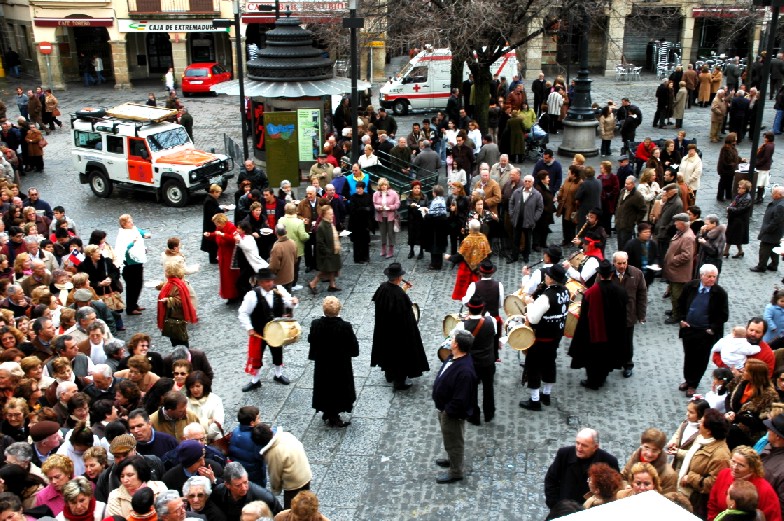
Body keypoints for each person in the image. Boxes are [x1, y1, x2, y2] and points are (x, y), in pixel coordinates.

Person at [568, 260, 629, 390]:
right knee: (608, 356)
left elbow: (584, 314)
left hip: (594, 331)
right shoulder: (620, 291)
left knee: (593, 359)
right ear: (612, 274)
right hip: (613, 331)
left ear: (599, 275)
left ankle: (593, 381)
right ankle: (603, 376)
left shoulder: (591, 293)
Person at [519, 264, 570, 411]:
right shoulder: (565, 291)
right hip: (556, 336)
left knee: (533, 366)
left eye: (547, 275)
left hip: (541, 337)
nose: (545, 276)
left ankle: (534, 401)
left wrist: (529, 304)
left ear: (551, 279)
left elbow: (534, 319)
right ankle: (546, 394)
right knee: (549, 363)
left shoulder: (546, 297)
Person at [371, 262, 429, 391]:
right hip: (398, 333)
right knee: (399, 356)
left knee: (388, 352)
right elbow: (405, 315)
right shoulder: (400, 296)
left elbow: (389, 302)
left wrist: (403, 288)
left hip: (385, 329)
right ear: (398, 277)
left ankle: (389, 374)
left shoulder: (382, 288)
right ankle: (399, 382)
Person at [238, 268, 298, 392]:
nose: (270, 283)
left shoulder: (279, 290)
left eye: (271, 280)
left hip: (276, 329)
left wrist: (293, 302)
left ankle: (278, 374)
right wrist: (249, 328)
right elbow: (243, 313)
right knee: (257, 355)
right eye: (267, 281)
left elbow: (289, 303)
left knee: (277, 352)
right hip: (259, 331)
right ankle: (255, 380)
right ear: (260, 282)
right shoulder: (252, 296)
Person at [431, 330, 477, 484]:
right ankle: (452, 459)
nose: (450, 340)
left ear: (456, 344)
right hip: (444, 407)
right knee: (449, 438)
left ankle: (456, 471)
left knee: (455, 441)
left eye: (452, 339)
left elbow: (461, 399)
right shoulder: (453, 357)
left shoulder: (465, 371)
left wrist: (447, 411)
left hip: (451, 413)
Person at [678, 264, 730, 397]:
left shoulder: (720, 293)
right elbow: (681, 303)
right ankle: (688, 380)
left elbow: (723, 315)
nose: (712, 279)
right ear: (702, 276)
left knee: (701, 359)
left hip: (705, 332)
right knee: (689, 356)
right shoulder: (690, 287)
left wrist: (712, 329)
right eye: (709, 276)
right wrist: (682, 319)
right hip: (689, 329)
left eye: (714, 277)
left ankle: (693, 384)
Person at [307, 296, 358, 428]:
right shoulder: (345, 327)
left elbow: (312, 340)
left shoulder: (316, 324)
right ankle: (334, 416)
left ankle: (327, 411)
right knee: (338, 389)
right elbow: (353, 347)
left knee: (324, 387)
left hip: (322, 364)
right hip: (340, 365)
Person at [544, 428, 619, 508]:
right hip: (564, 508)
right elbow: (551, 480)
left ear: (595, 447)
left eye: (584, 445)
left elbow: (615, 488)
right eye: (577, 443)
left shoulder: (608, 461)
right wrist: (555, 506)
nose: (579, 448)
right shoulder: (564, 454)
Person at [708, 446, 781, 521]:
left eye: (741, 465)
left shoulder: (764, 490)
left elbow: (774, 517)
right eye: (733, 461)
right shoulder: (724, 474)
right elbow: (713, 504)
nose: (735, 467)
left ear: (752, 468)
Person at [250, 424, 311, 510]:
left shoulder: (272, 453)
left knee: (289, 509)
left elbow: (275, 474)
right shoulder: (286, 435)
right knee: (306, 501)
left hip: (293, 483)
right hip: (305, 473)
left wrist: (275, 489)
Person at [724, 359, 778, 449]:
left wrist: (737, 417)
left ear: (754, 375)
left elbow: (761, 422)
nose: (742, 371)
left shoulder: (769, 395)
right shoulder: (741, 382)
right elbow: (728, 398)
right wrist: (729, 412)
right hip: (731, 421)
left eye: (745, 370)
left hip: (750, 432)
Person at [611, 251, 647, 377]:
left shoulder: (636, 274)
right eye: (619, 263)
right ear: (614, 263)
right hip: (612, 315)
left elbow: (642, 295)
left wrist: (641, 314)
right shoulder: (607, 274)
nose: (622, 266)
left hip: (629, 314)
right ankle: (613, 361)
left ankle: (627, 364)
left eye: (624, 263)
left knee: (627, 342)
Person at [114, 214, 150, 316]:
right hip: (129, 264)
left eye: (131, 220)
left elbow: (142, 233)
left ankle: (134, 304)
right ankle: (130, 307)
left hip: (137, 262)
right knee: (132, 286)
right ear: (124, 225)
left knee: (138, 283)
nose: (132, 223)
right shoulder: (122, 235)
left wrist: (145, 234)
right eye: (129, 222)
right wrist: (132, 243)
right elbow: (123, 248)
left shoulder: (134, 229)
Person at [663, 213, 695, 323]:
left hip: (679, 272)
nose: (675, 224)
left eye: (676, 222)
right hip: (675, 271)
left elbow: (686, 255)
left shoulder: (687, 238)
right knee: (673, 291)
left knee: (677, 295)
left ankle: (677, 315)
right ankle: (674, 310)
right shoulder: (682, 233)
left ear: (682, 223)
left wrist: (672, 260)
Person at [156, 262, 197, 348]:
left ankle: (184, 353)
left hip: (176, 315)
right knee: (174, 337)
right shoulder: (172, 282)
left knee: (180, 338)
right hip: (172, 315)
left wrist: (168, 300)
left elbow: (180, 299)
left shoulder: (177, 285)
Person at [448, 219, 490, 301]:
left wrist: (450, 257)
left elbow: (461, 255)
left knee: (466, 290)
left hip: (466, 269)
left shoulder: (467, 240)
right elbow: (487, 253)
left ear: (470, 229)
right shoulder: (484, 238)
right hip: (479, 268)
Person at [508, 175, 543, 264]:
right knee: (515, 239)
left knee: (528, 240)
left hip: (528, 221)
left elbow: (540, 208)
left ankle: (526, 256)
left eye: (529, 181)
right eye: (526, 181)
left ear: (532, 183)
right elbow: (511, 203)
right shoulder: (517, 192)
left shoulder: (537, 194)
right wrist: (512, 215)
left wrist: (534, 218)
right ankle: (514, 256)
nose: (527, 183)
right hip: (517, 220)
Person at [308, 205, 341, 294]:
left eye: (332, 214)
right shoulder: (322, 226)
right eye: (330, 214)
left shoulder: (329, 223)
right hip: (327, 252)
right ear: (324, 215)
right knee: (324, 270)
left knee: (332, 268)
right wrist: (327, 252)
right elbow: (320, 242)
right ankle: (313, 283)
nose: (332, 216)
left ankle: (332, 284)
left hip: (333, 250)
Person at [750, 186, 784, 273]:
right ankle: (773, 265)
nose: (772, 194)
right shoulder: (780, 203)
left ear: (779, 195)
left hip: (771, 232)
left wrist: (767, 229)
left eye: (773, 193)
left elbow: (776, 221)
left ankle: (761, 266)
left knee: (764, 248)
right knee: (774, 247)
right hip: (776, 232)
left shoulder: (780, 206)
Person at [615, 176, 647, 251]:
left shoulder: (637, 196)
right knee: (620, 244)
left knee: (625, 246)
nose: (626, 185)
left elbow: (643, 210)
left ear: (633, 184)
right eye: (625, 183)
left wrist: (635, 220)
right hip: (619, 223)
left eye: (628, 184)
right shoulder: (622, 191)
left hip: (627, 225)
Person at [724, 180, 753, 259]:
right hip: (735, 219)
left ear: (745, 189)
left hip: (739, 220)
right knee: (734, 236)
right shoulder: (740, 196)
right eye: (739, 187)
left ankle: (726, 251)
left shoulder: (747, 198)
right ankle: (738, 251)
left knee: (733, 235)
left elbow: (740, 209)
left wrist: (729, 209)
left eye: (740, 188)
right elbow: (734, 203)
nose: (738, 189)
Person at [372, 178, 400, 258]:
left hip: (390, 216)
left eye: (385, 185)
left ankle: (391, 249)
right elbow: (374, 204)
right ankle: (383, 248)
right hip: (381, 216)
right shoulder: (376, 194)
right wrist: (379, 207)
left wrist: (390, 207)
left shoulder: (393, 193)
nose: (383, 187)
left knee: (391, 233)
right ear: (379, 186)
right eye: (382, 185)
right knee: (382, 233)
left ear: (387, 185)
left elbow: (397, 204)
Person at [200, 184, 225, 264]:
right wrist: (222, 211)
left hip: (211, 223)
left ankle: (214, 257)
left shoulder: (210, 199)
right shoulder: (209, 201)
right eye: (218, 193)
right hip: (210, 224)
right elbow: (213, 212)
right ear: (214, 192)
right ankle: (213, 259)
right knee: (212, 242)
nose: (219, 194)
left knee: (213, 241)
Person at [406, 181, 429, 260]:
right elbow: (407, 205)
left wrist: (425, 209)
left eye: (418, 188)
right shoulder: (409, 197)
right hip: (412, 220)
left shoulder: (424, 196)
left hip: (421, 220)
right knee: (411, 236)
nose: (417, 190)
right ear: (412, 189)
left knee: (421, 235)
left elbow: (427, 206)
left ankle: (421, 252)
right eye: (415, 188)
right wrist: (411, 205)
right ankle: (411, 251)